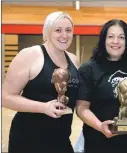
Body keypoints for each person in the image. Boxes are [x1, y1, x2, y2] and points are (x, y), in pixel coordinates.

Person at [76, 19, 127, 153]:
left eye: (121, 37)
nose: (116, 41)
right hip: (98, 144)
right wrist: (100, 126)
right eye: (111, 37)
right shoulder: (89, 69)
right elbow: (81, 108)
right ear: (103, 40)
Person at [2, 11, 79, 153]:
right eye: (58, 30)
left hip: (60, 140)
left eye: (68, 30)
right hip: (28, 141)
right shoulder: (30, 55)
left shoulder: (73, 60)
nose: (64, 35)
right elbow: (5, 98)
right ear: (48, 31)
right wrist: (43, 107)